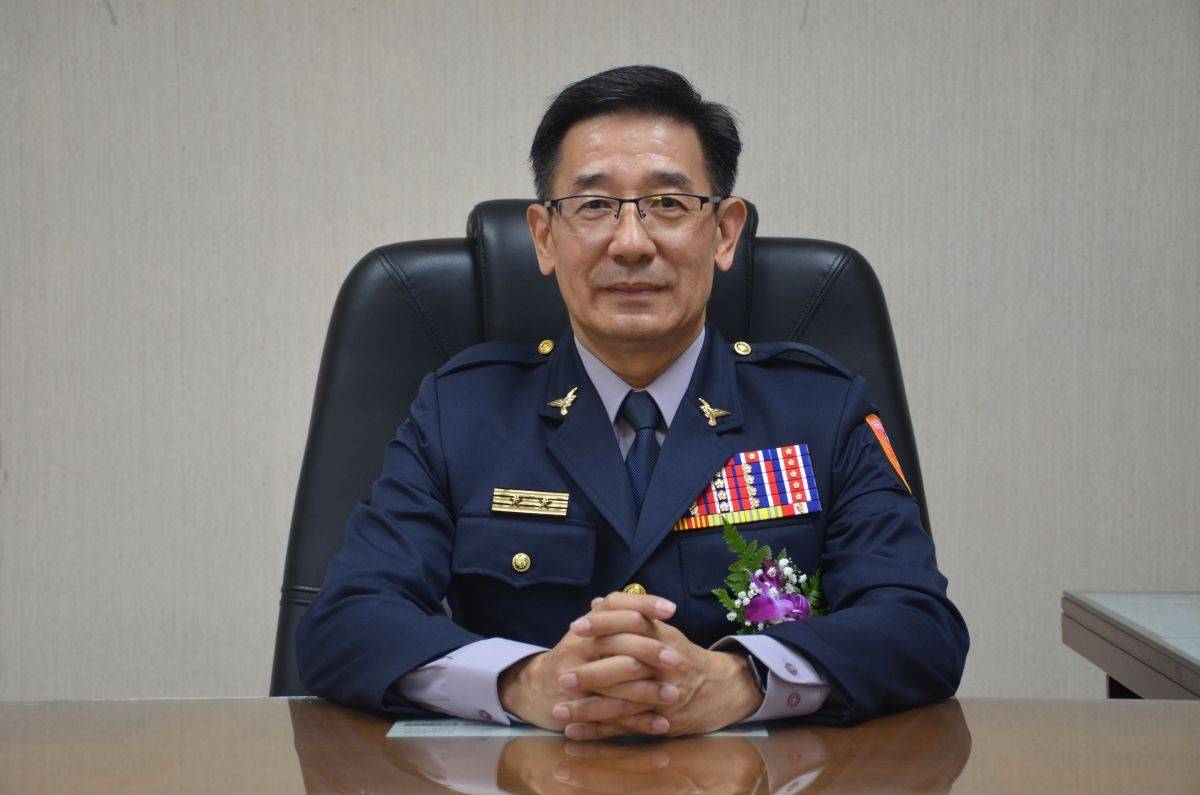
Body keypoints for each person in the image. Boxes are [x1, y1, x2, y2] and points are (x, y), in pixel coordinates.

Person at [296, 65, 968, 740]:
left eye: (668, 204)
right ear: (543, 236)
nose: (631, 243)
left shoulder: (821, 410)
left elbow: (919, 625)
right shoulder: (461, 412)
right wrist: (525, 681)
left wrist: (741, 680)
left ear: (725, 232)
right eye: (593, 205)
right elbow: (344, 623)